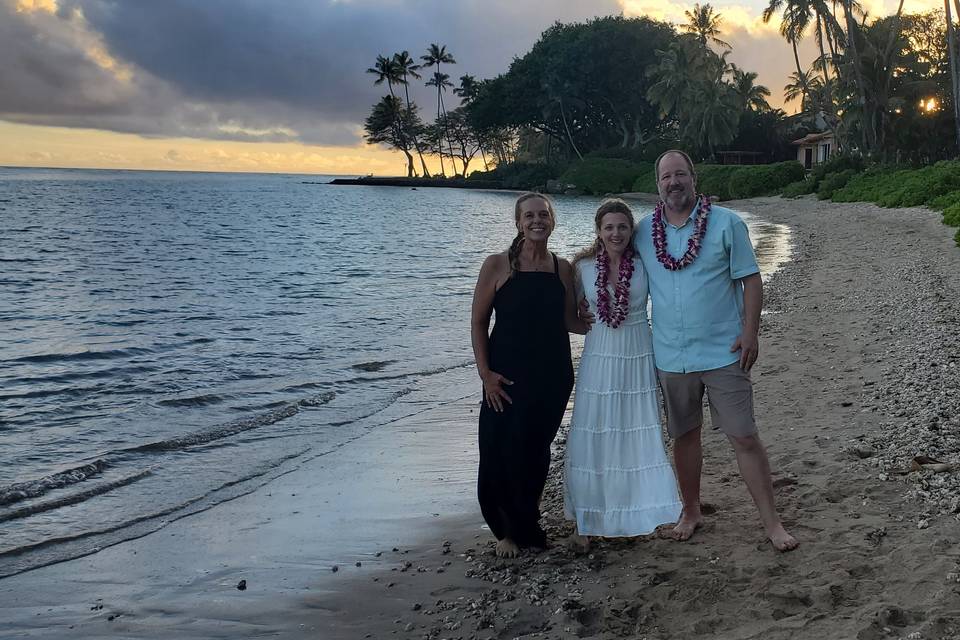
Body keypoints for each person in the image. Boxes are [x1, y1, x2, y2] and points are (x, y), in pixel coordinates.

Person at [635, 150, 798, 552]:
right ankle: (691, 511)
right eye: (665, 177)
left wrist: (750, 332)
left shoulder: (726, 224)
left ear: (694, 177)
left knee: (744, 435)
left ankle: (772, 523)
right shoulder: (642, 231)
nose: (673, 182)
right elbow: (612, 265)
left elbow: (751, 280)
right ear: (657, 185)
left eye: (680, 174)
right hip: (671, 356)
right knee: (684, 436)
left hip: (725, 351)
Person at [470, 192, 585, 558]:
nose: (537, 221)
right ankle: (505, 531)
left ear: (552, 220)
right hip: (504, 376)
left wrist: (611, 326)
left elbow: (569, 321)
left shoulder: (562, 268)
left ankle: (527, 522)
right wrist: (486, 374)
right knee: (496, 448)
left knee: (535, 451)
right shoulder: (497, 265)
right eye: (529, 216)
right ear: (518, 222)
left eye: (544, 215)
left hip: (552, 375)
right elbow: (477, 322)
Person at [563, 199, 683, 547]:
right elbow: (568, 316)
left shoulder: (645, 265)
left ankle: (637, 510)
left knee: (635, 432)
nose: (616, 233)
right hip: (599, 357)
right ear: (598, 232)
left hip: (637, 353)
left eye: (623, 227)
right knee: (594, 433)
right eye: (609, 227)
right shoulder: (582, 268)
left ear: (632, 231)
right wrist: (585, 322)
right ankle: (585, 522)